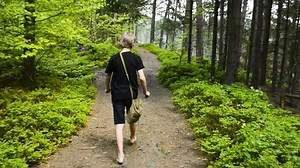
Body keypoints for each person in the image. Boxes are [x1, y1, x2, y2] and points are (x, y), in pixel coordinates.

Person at [105, 32, 150, 165]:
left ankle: (120, 154)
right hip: (131, 94)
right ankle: (132, 137)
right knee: (132, 117)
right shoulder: (136, 58)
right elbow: (141, 77)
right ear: (132, 43)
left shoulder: (114, 58)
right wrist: (145, 91)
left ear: (122, 42)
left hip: (117, 95)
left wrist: (107, 88)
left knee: (119, 124)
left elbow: (108, 75)